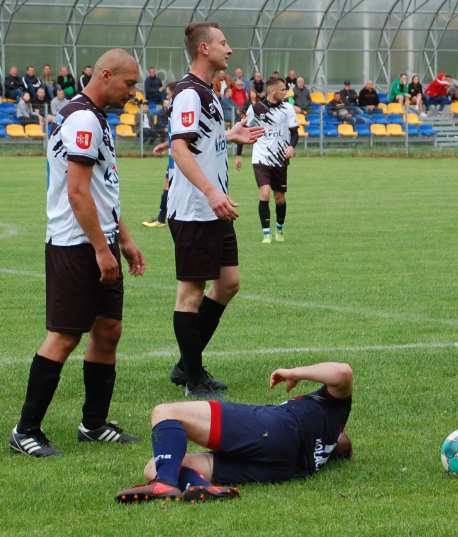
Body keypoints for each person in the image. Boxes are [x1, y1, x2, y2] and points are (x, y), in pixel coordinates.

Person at [8, 49, 146, 458]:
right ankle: (26, 429)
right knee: (65, 335)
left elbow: (103, 190)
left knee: (108, 331)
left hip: (100, 241)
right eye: (129, 83)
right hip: (76, 244)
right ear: (105, 75)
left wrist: (124, 239)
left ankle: (94, 423)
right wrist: (102, 250)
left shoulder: (94, 117)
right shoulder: (82, 117)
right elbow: (77, 191)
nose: (133, 92)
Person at [166, 21, 264, 398]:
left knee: (228, 283)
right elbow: (180, 149)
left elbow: (200, 140)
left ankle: (186, 363)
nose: (230, 49)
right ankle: (193, 378)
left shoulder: (206, 92)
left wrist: (229, 135)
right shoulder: (189, 92)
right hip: (195, 208)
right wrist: (210, 192)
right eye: (224, 43)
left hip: (213, 208)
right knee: (191, 292)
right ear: (204, 49)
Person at [114, 361, 353, 503]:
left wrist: (294, 372)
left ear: (340, 436)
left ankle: (164, 484)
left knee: (165, 412)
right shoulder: (316, 457)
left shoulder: (333, 411)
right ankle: (201, 486)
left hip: (276, 429)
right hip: (280, 468)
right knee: (155, 464)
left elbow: (342, 371)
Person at [234, 78, 299, 244]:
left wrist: (291, 146)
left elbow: (294, 132)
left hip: (280, 158)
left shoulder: (288, 108)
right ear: (272, 91)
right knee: (264, 193)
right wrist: (239, 154)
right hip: (261, 157)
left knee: (279, 197)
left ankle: (279, 228)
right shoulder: (256, 109)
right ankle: (266, 234)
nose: (286, 92)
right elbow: (244, 131)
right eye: (283, 89)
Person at [143, 83, 178, 229]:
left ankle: (162, 218)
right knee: (169, 186)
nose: (167, 98)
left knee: (170, 186)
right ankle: (164, 217)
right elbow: (174, 136)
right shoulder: (172, 111)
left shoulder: (177, 111)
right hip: (173, 156)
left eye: (169, 95)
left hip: (178, 158)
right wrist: (164, 145)